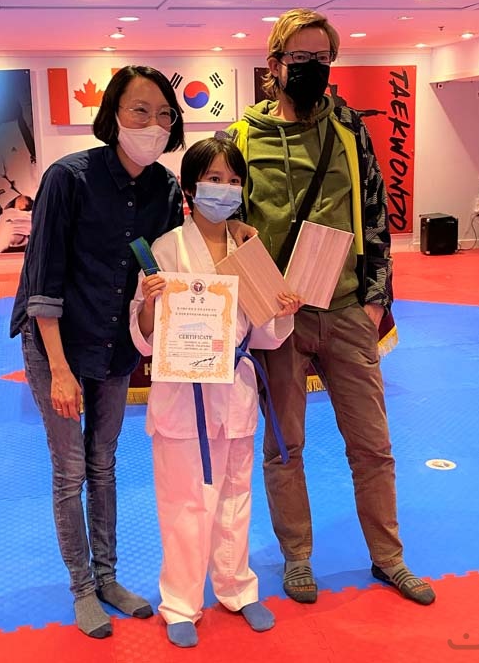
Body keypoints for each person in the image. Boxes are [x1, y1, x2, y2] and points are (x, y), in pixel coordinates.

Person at [227, 8, 436, 607]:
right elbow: (229, 223)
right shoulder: (243, 138)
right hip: (278, 319)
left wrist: (374, 304)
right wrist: (252, 303)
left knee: (373, 445)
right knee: (284, 446)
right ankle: (297, 557)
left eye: (323, 58)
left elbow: (376, 214)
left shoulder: (348, 130)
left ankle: (389, 557)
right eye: (301, 58)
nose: (314, 69)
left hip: (346, 311)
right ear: (274, 64)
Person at [9, 65, 188, 638]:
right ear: (113, 115)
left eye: (164, 114)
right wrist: (59, 371)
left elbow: (164, 265)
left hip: (115, 344)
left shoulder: (165, 189)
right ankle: (82, 588)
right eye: (140, 110)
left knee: (104, 463)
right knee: (69, 471)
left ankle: (108, 577)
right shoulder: (69, 178)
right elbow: (43, 280)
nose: (153, 124)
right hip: (57, 343)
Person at [129, 137, 301, 648]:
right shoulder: (165, 249)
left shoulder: (250, 250)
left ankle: (237, 588)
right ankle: (181, 602)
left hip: (236, 389)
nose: (224, 189)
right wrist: (150, 304)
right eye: (214, 179)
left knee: (236, 496)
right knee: (184, 503)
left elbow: (266, 335)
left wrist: (282, 309)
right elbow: (144, 338)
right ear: (190, 187)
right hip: (184, 395)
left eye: (233, 180)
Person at [0, 98, 38, 252]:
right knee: (7, 241)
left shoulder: (54, 132)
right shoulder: (5, 132)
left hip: (53, 209)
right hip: (21, 212)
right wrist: (13, 199)